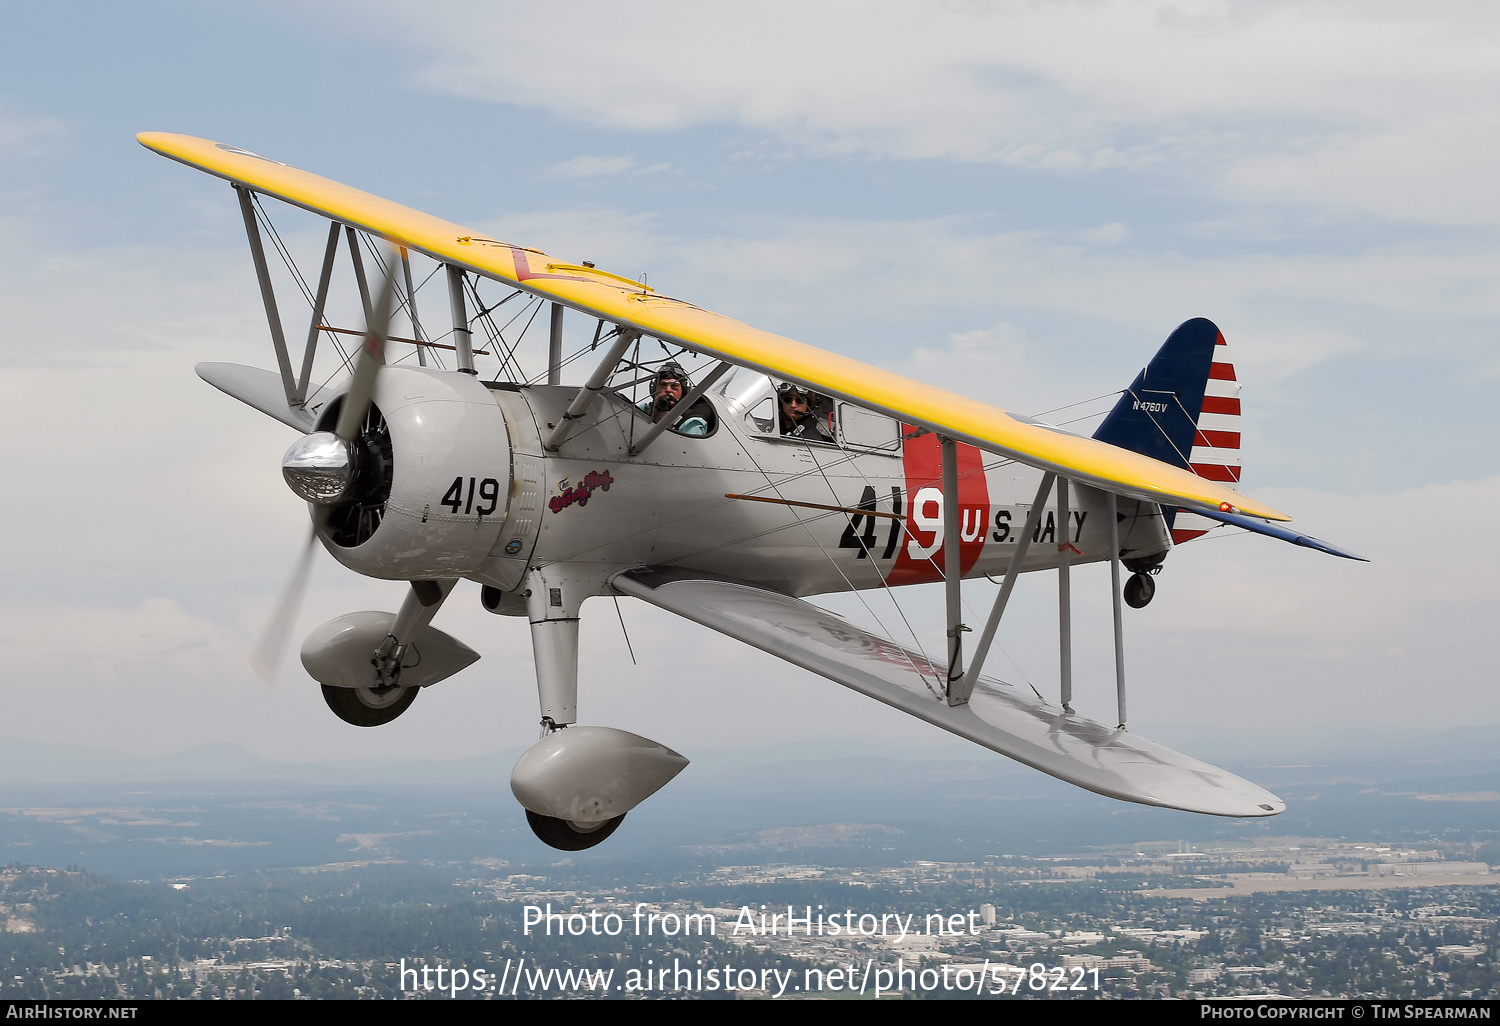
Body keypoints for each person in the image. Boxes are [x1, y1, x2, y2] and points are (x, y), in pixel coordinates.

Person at [638, 362, 709, 437]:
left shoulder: (691, 423)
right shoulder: (644, 409)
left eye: (674, 386)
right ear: (654, 388)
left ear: (684, 391)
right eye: (663, 385)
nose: (668, 390)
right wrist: (650, 415)